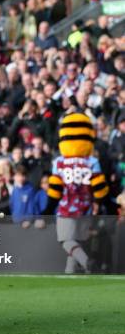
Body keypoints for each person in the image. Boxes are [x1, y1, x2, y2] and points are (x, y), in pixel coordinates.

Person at [46, 113, 109, 274]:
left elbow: (54, 191)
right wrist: (104, 204)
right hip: (85, 208)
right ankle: (70, 272)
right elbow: (100, 189)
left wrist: (46, 211)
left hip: (66, 208)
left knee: (65, 241)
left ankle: (86, 262)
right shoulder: (92, 162)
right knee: (77, 242)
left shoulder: (59, 162)